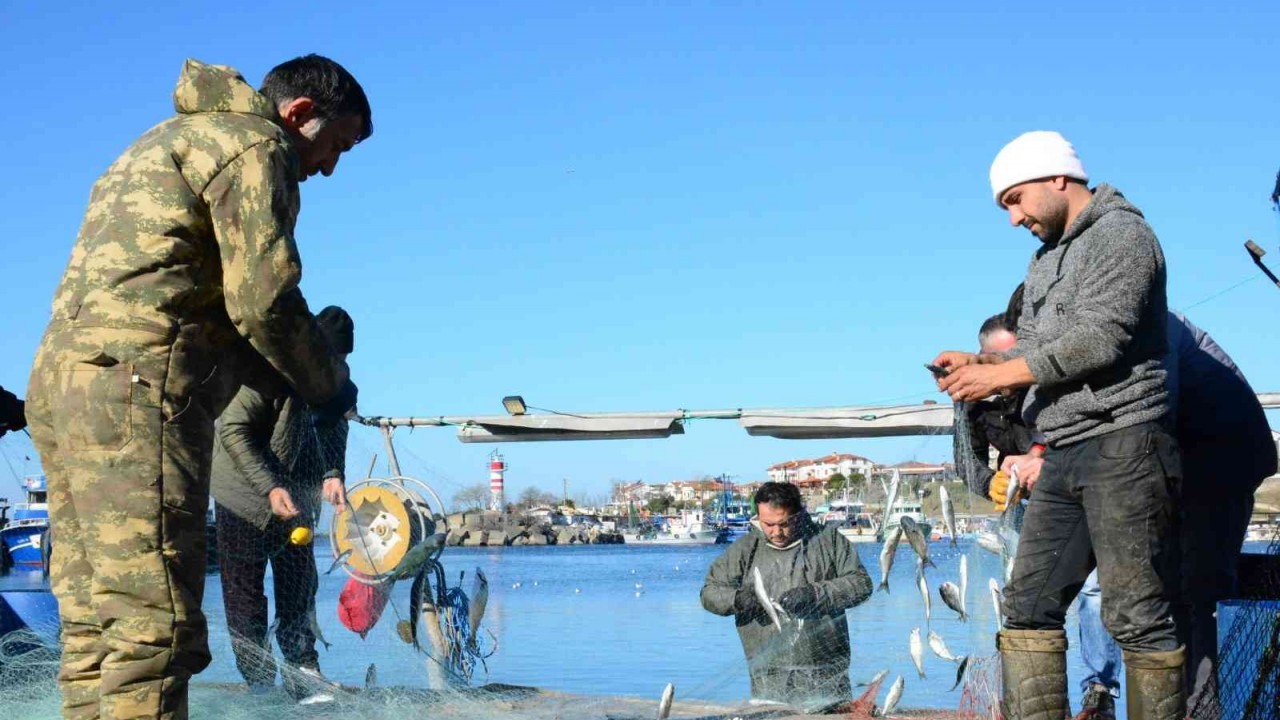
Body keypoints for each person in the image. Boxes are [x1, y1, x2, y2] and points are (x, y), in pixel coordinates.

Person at [23, 55, 371, 720]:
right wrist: (328, 385)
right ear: (299, 115)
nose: (328, 166)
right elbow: (263, 301)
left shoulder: (159, 142)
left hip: (61, 388)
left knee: (97, 627)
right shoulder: (255, 144)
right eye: (335, 146)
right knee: (156, 629)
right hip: (139, 390)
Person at [934, 130, 1184, 720]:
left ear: (1057, 178)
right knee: (1027, 605)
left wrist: (1000, 377)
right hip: (1063, 448)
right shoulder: (1045, 262)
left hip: (1127, 440)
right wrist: (983, 363)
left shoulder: (1124, 235)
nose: (1014, 218)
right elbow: (1046, 348)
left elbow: (1103, 337)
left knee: (1136, 613)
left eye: (1015, 200)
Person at [1002, 311, 1277, 718]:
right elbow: (1077, 402)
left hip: (1218, 461)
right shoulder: (1084, 339)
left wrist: (1060, 459)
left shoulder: (1142, 319)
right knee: (1160, 593)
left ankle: (1199, 711)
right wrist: (1040, 451)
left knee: (1191, 591)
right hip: (1172, 463)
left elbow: (1147, 409)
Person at [211, 306, 356, 704]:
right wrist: (270, 487)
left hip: (297, 502)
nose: (339, 366)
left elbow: (335, 428)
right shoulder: (269, 374)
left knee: (299, 587)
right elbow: (235, 432)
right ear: (314, 352)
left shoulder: (335, 388)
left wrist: (333, 473)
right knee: (245, 597)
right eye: (333, 358)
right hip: (241, 495)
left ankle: (303, 672)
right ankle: (259, 682)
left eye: (344, 359)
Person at [699, 481, 873, 712]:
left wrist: (814, 594)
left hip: (827, 673)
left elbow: (861, 584)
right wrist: (737, 599)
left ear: (799, 515)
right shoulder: (744, 549)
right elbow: (709, 592)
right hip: (769, 674)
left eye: (784, 523)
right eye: (768, 524)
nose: (776, 532)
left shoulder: (829, 541)